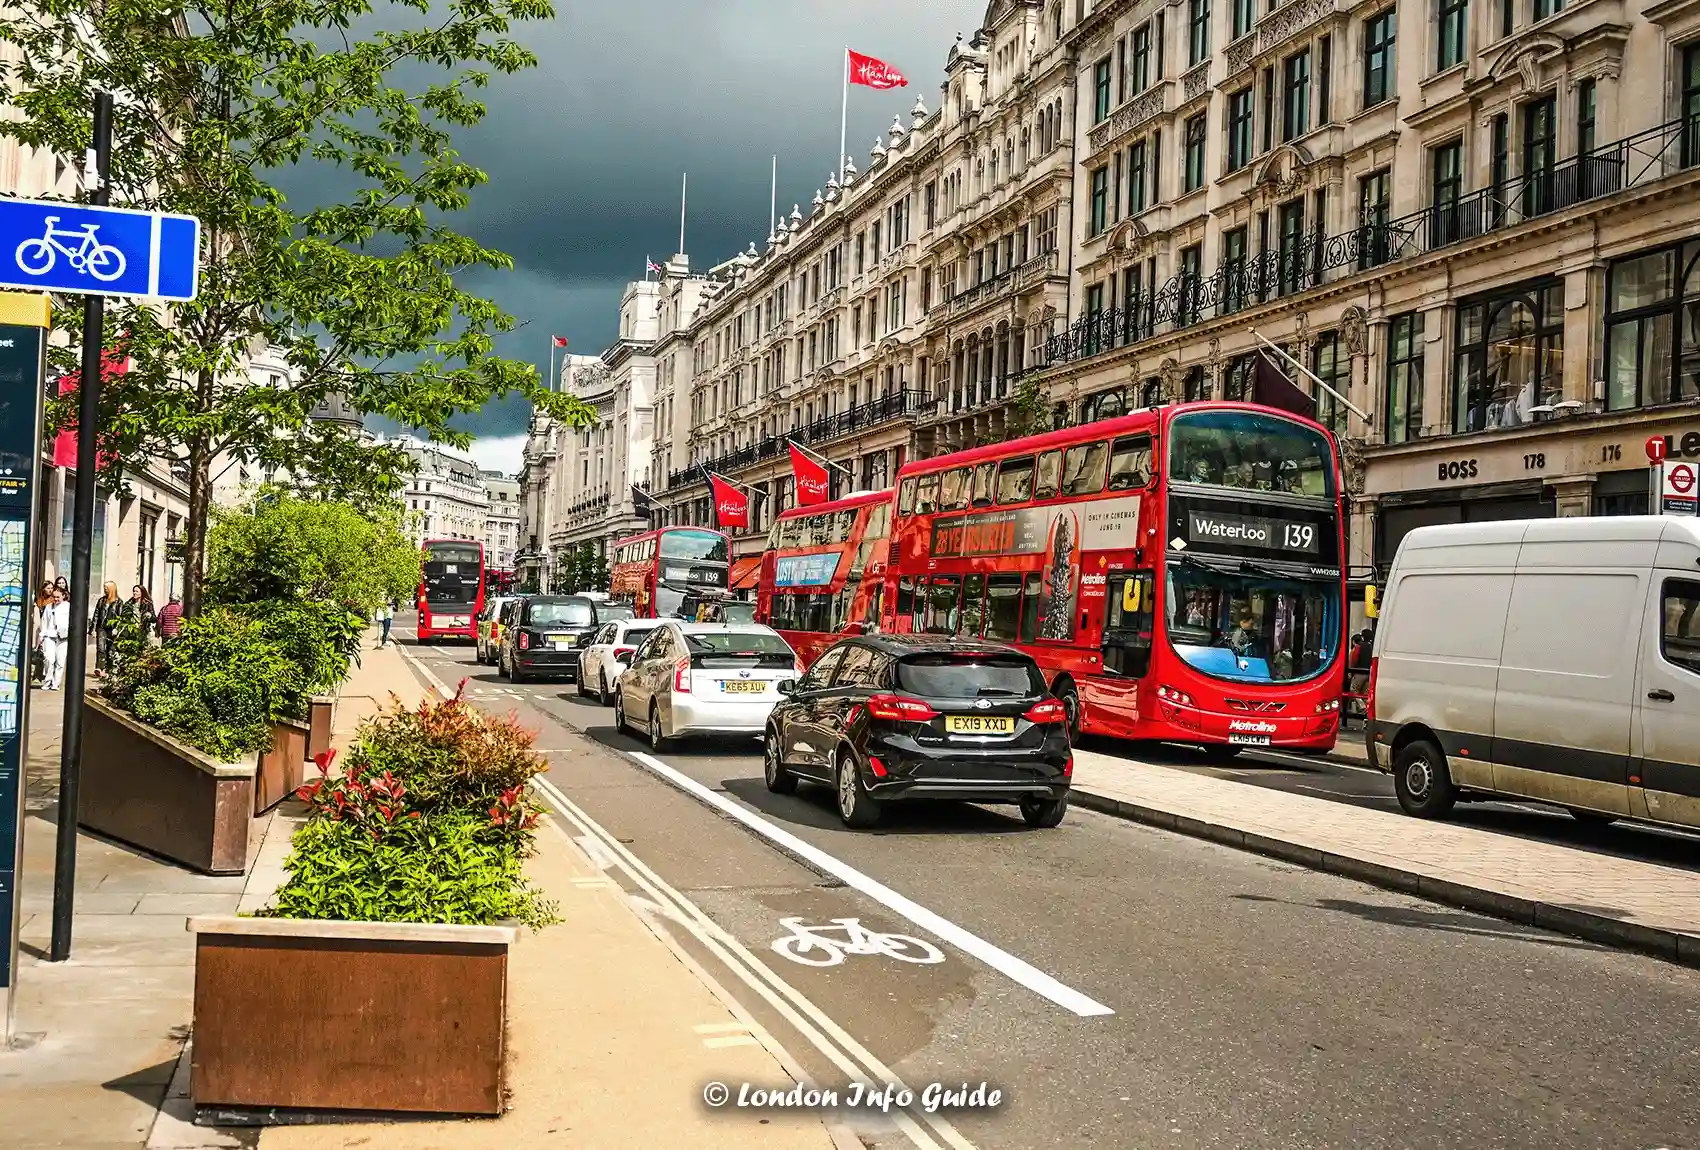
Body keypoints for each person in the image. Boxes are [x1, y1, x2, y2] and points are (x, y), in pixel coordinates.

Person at [38, 585, 70, 690]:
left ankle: (56, 683)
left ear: (63, 596)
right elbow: (44, 622)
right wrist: (42, 636)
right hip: (50, 636)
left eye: (58, 597)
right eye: (54, 597)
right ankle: (47, 681)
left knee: (60, 662)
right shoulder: (49, 607)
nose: (56, 599)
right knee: (49, 659)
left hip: (63, 637)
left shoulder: (68, 607)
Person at [92, 581, 122, 676]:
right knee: (100, 648)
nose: (104, 589)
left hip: (112, 629)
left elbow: (120, 617)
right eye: (104, 587)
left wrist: (117, 628)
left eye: (106, 588)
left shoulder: (119, 602)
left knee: (110, 649)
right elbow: (96, 614)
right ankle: (99, 668)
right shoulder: (101, 601)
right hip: (102, 627)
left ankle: (108, 669)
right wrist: (93, 629)